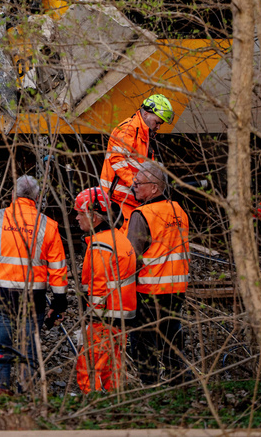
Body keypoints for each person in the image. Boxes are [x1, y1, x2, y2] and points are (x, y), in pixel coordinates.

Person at [0, 175, 67, 391]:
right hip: (33, 300)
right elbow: (58, 267)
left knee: (1, 348)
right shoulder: (48, 225)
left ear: (13, 195)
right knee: (30, 350)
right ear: (38, 197)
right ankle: (28, 391)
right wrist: (59, 300)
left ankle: (2, 389)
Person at [126, 162, 189, 385]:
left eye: (138, 183)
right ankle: (179, 385)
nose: (133, 186)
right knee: (172, 340)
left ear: (154, 188)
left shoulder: (142, 214)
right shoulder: (178, 211)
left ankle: (150, 388)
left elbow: (131, 258)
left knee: (144, 344)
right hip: (176, 290)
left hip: (149, 291)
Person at [74, 188, 137, 394]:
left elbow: (98, 286)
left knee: (88, 365)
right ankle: (114, 405)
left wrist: (91, 318)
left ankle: (91, 405)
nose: (76, 218)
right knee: (113, 366)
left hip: (103, 319)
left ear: (93, 217)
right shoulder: (117, 238)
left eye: (80, 213)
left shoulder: (101, 245)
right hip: (119, 317)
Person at [100, 94, 173, 231]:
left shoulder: (143, 134)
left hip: (129, 197)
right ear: (145, 114)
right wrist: (135, 183)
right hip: (118, 197)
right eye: (157, 122)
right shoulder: (129, 130)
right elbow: (117, 160)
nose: (158, 127)